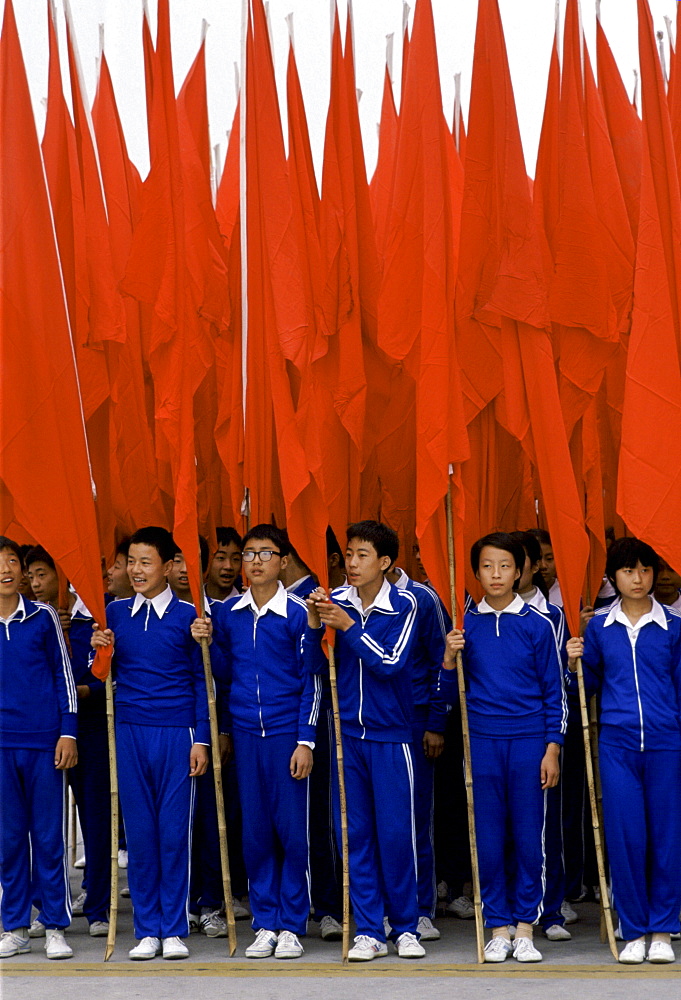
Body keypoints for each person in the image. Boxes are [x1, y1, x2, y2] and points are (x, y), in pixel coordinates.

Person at [192, 524, 325, 960]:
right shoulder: (230, 615)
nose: (253, 562)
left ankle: (291, 923)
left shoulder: (298, 612)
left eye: (264, 554)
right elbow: (226, 678)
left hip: (288, 735)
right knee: (255, 833)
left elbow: (313, 679)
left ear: (284, 562)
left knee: (292, 832)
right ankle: (265, 921)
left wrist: (306, 740)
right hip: (248, 735)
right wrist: (208, 644)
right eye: (248, 554)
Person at [444, 532, 566, 964]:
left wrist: (552, 748)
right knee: (489, 838)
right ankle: (497, 925)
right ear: (476, 572)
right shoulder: (465, 625)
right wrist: (447, 658)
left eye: (505, 566)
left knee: (530, 838)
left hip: (530, 741)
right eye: (487, 566)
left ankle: (526, 927)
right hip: (481, 741)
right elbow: (447, 696)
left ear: (520, 571)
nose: (496, 575)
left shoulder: (539, 623)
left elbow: (556, 693)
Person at [91, 526, 210, 962]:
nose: (136, 571)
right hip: (130, 730)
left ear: (169, 565)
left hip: (178, 733)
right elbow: (99, 672)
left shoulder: (189, 616)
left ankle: (174, 928)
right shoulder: (115, 613)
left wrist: (201, 741)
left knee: (174, 832)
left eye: (146, 562)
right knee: (139, 835)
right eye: (131, 562)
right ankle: (147, 928)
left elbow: (203, 683)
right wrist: (97, 648)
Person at [307, 521, 423, 962]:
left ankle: (406, 926)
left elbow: (392, 663)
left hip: (391, 737)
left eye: (362, 555)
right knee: (354, 836)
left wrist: (349, 626)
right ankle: (369, 929)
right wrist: (316, 623)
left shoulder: (405, 604)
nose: (352, 564)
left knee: (396, 835)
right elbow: (311, 664)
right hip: (346, 735)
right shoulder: (334, 601)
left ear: (386, 562)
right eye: (349, 555)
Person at [566, 537, 681, 965]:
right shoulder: (598, 627)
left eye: (646, 570)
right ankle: (633, 929)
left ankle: (662, 929)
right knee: (626, 836)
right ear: (613, 577)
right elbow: (585, 688)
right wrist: (574, 663)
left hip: (667, 743)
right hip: (616, 744)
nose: (640, 579)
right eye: (630, 571)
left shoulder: (673, 627)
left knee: (667, 839)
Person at [0, 537, 77, 960]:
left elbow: (65, 676)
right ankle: (14, 925)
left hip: (45, 744)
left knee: (48, 838)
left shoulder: (43, 616)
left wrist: (68, 732)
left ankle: (54, 926)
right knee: (9, 839)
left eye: (12, 561)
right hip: (1, 744)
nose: (6, 570)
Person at [510, 531, 574, 942]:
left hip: (545, 727)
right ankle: (511, 914)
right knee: (507, 827)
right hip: (498, 732)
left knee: (547, 824)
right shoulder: (477, 614)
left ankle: (550, 911)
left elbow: (561, 679)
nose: (545, 566)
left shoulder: (554, 614)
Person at [385, 562, 451, 940]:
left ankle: (421, 907)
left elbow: (442, 662)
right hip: (374, 725)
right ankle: (382, 909)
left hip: (415, 721)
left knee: (415, 817)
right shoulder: (351, 598)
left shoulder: (422, 599)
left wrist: (435, 722)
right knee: (379, 822)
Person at [527, 529, 562, 608]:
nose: (543, 566)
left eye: (549, 558)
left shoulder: (567, 596)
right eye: (537, 559)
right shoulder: (511, 597)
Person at [205, 528, 242, 603]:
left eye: (235, 559)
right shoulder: (192, 602)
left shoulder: (245, 604)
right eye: (221, 558)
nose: (228, 566)